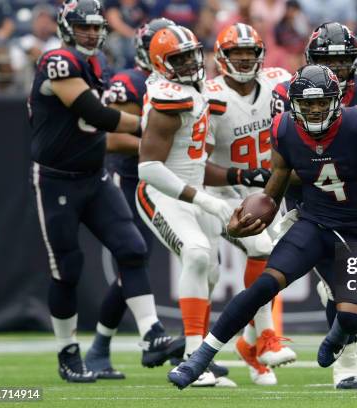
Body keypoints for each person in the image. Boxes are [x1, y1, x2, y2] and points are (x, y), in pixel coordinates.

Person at [168, 64, 357, 390]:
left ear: (336, 101)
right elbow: (272, 194)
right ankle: (200, 357)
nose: (315, 110)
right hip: (314, 224)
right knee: (263, 287)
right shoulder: (285, 129)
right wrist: (245, 222)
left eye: (321, 103)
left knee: (353, 319)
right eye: (307, 104)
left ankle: (338, 334)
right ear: (294, 105)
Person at [28, 0, 184, 383]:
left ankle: (151, 333)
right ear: (68, 28)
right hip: (57, 179)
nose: (93, 33)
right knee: (68, 269)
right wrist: (152, 123)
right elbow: (96, 114)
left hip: (94, 177)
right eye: (85, 27)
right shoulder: (58, 61)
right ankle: (68, 353)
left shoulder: (97, 65)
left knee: (132, 249)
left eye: (97, 27)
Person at [271, 21, 357, 389]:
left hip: (354, 202)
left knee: (354, 288)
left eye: (345, 60)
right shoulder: (287, 93)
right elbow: (283, 161)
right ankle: (348, 363)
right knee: (337, 287)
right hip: (309, 200)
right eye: (331, 61)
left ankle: (343, 351)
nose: (340, 68)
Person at [135, 24, 238, 387]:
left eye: (191, 55)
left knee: (209, 271)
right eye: (178, 59)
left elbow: (198, 154)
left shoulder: (198, 89)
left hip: (194, 190)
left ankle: (198, 358)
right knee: (195, 254)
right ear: (161, 64)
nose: (189, 64)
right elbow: (148, 168)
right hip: (162, 192)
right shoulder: (168, 96)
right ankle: (195, 361)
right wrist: (204, 198)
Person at [202, 23, 296, 386]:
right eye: (236, 54)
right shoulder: (210, 96)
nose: (243, 60)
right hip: (225, 193)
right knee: (260, 246)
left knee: (280, 267)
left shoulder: (278, 82)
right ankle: (267, 339)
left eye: (249, 54)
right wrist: (241, 177)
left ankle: (250, 346)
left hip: (268, 191)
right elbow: (198, 166)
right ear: (221, 58)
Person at [84, 17, 177, 380]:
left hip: (172, 183)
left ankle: (102, 347)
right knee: (134, 263)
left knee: (196, 261)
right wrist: (159, 148)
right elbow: (110, 137)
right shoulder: (131, 82)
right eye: (169, 52)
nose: (178, 60)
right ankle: (113, 345)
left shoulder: (181, 83)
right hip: (134, 182)